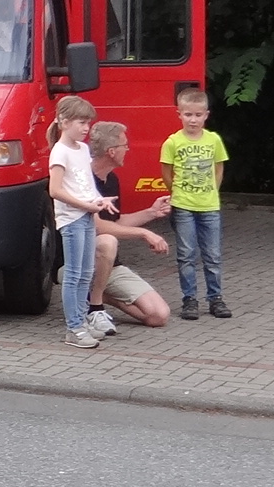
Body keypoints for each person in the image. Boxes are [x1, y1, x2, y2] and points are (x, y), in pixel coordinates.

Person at [84, 122, 172, 331]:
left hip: (110, 264)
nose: (128, 149)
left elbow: (115, 222)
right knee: (107, 241)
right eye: (124, 145)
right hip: (80, 264)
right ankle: (95, 307)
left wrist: (151, 212)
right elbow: (97, 227)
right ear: (111, 151)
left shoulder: (112, 180)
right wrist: (144, 233)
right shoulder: (83, 179)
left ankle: (94, 294)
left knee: (158, 315)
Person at [161, 85, 230, 321]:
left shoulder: (214, 140)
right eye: (188, 114)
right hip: (183, 206)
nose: (193, 120)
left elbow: (219, 167)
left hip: (209, 206)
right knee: (186, 254)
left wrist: (213, 190)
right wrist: (176, 193)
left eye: (198, 115)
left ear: (206, 115)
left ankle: (215, 298)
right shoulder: (172, 142)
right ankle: (189, 299)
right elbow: (166, 172)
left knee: (213, 254)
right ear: (179, 114)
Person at [49, 95, 112, 348]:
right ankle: (73, 328)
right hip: (72, 219)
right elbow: (55, 190)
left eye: (88, 123)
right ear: (64, 122)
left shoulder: (83, 149)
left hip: (86, 216)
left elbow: (86, 184)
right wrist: (86, 205)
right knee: (74, 274)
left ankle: (82, 321)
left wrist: (99, 200)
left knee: (86, 272)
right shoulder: (60, 151)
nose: (87, 128)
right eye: (82, 123)